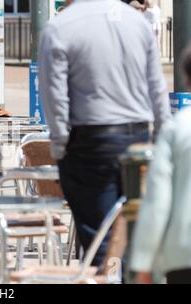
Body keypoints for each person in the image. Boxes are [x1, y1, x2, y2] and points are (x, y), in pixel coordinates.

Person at [39, 0, 171, 269]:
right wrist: (160, 140)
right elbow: (157, 88)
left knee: (100, 241)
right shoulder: (137, 22)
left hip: (90, 142)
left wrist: (61, 145)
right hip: (137, 138)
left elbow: (54, 97)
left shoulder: (60, 26)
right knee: (137, 238)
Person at [130, 45, 191, 284]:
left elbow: (158, 202)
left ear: (186, 79)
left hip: (184, 252)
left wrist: (144, 263)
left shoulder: (177, 128)